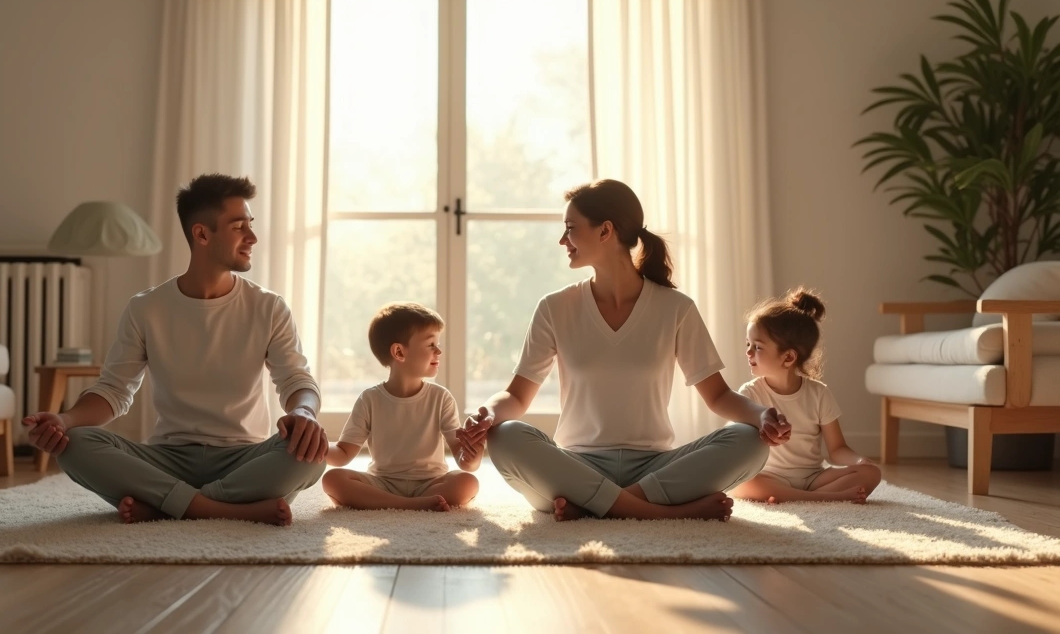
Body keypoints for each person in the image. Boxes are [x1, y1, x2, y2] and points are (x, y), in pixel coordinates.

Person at [460, 179, 789, 522]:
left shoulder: (675, 308)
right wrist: (487, 414)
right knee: (506, 435)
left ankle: (596, 505)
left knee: (749, 442)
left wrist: (761, 415)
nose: (562, 240)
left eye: (570, 229)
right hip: (577, 465)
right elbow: (516, 397)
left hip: (654, 469)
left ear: (605, 231)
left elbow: (719, 396)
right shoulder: (555, 308)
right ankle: (661, 513)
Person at [21, 173, 326, 526]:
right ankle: (223, 508)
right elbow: (114, 391)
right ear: (202, 234)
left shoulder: (269, 307)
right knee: (73, 444)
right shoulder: (146, 308)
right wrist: (65, 419)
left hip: (244, 457)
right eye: (239, 226)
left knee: (312, 453)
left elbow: (296, 381)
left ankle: (169, 505)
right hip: (167, 458)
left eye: (251, 225)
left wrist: (305, 413)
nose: (253, 237)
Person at [322, 303, 482, 511]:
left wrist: (472, 456)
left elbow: (463, 458)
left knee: (467, 482)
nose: (439, 351)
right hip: (382, 484)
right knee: (332, 479)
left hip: (431, 483)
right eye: (431, 344)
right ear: (399, 352)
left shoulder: (441, 398)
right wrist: (321, 447)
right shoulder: (369, 399)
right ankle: (411, 505)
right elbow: (343, 453)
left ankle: (390, 504)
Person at [729, 287, 882, 504]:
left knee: (872, 473)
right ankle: (825, 498)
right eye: (748, 344)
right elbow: (738, 446)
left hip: (813, 478)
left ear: (788, 357)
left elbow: (837, 449)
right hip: (770, 477)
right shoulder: (749, 393)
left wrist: (859, 460)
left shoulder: (819, 393)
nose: (748, 352)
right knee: (740, 482)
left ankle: (803, 497)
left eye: (758, 347)